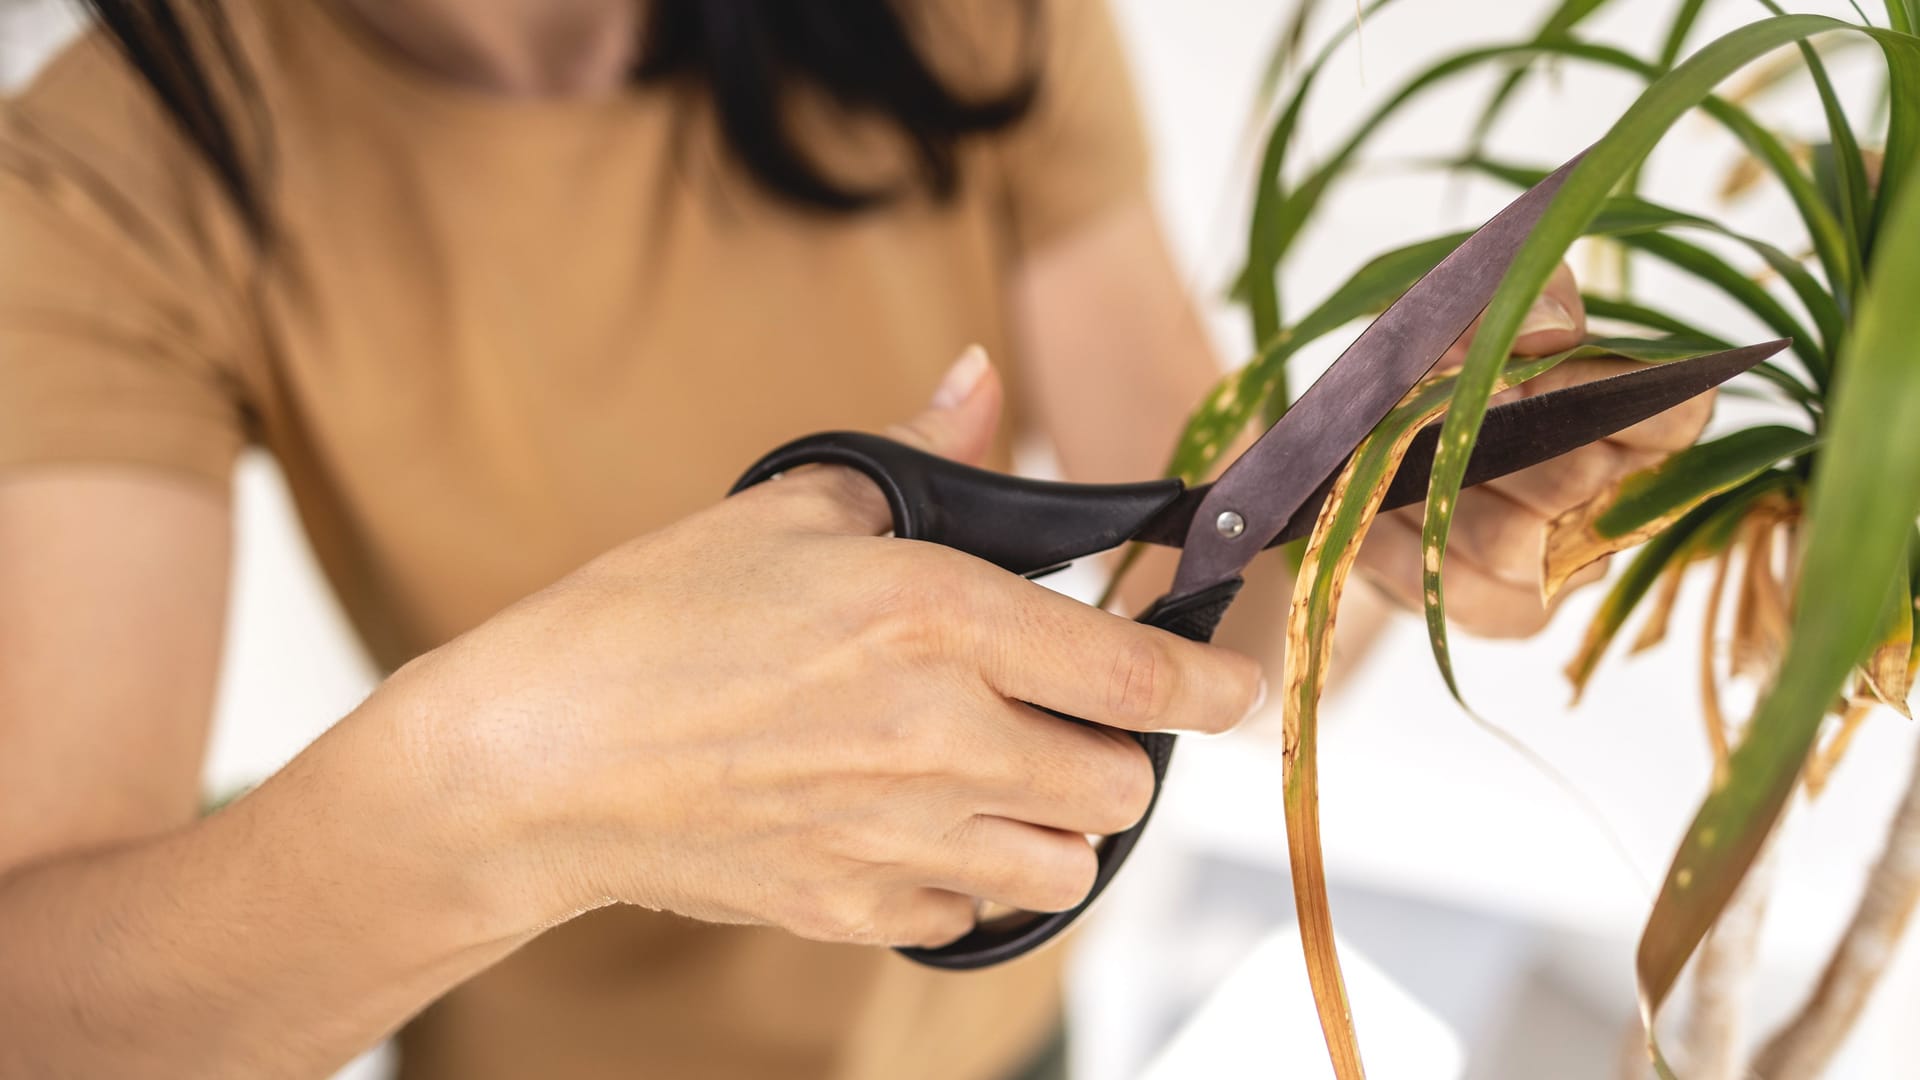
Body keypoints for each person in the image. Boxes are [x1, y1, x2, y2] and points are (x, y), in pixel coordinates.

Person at [0, 1, 1708, 1077]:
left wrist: (1366, 536)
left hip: (990, 1030)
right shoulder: (100, 180)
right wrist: (514, 783)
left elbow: (1211, 611)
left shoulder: (964, 20)